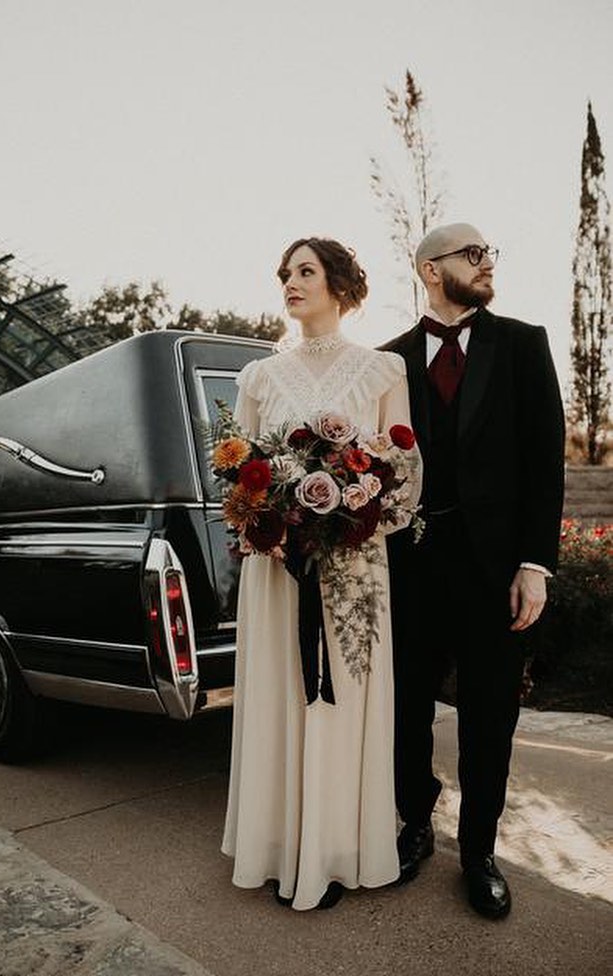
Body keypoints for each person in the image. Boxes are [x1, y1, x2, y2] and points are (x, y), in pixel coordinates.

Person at [221, 237, 421, 910]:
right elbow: (238, 475)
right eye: (285, 273)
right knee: (281, 698)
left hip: (353, 571)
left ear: (338, 284)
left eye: (305, 271)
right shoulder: (258, 377)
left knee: (341, 707)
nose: (290, 281)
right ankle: (281, 849)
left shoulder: (383, 370)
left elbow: (403, 474)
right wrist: (271, 526)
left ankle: (334, 852)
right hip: (277, 572)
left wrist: (349, 518)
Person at [383, 223, 565, 919]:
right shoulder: (387, 361)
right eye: (472, 253)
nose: (486, 263)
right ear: (432, 270)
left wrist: (534, 564)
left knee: (490, 716)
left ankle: (479, 853)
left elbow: (543, 460)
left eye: (489, 253)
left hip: (495, 571)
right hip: (410, 565)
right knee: (404, 707)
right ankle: (414, 824)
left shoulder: (522, 345)